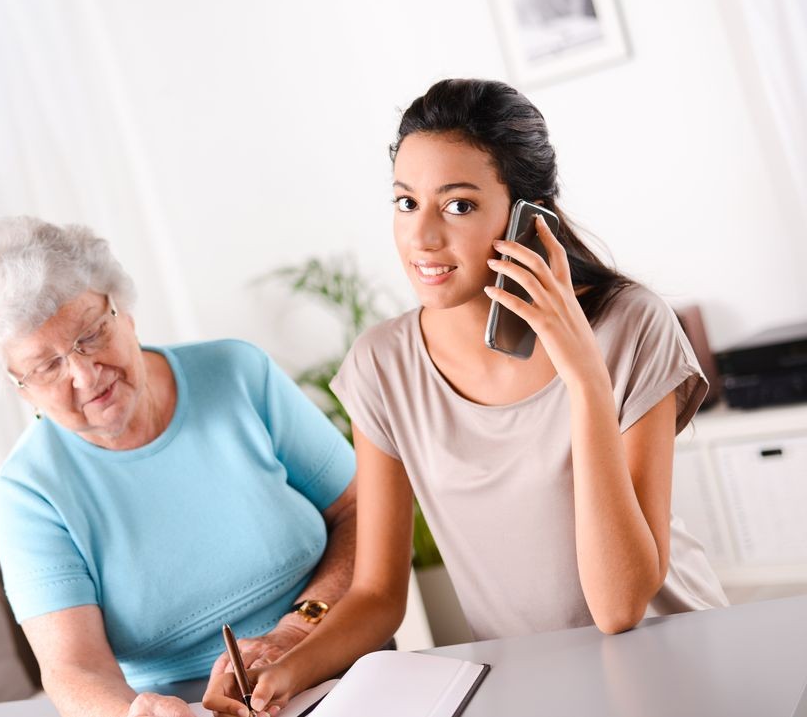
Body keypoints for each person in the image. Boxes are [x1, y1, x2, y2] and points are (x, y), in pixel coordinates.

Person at [204, 78, 728, 716]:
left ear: (528, 218)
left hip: (675, 662)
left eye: (456, 206)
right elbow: (376, 593)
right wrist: (284, 672)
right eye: (405, 202)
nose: (422, 237)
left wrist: (584, 376)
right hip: (533, 690)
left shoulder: (630, 325)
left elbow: (620, 608)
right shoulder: (381, 366)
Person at [0, 216, 357, 717]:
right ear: (20, 387)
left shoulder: (237, 373)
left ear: (124, 312)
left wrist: (299, 628)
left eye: (91, 334)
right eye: (46, 366)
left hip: (342, 663)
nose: (83, 374)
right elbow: (73, 668)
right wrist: (136, 715)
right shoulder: (28, 492)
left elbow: (358, 510)